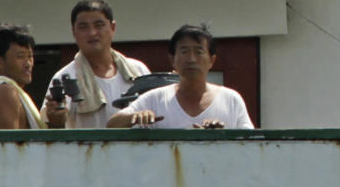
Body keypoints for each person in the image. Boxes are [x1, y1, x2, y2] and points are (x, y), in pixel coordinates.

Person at [107, 24, 254, 129]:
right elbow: (112, 124)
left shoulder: (231, 99)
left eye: (199, 51)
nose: (191, 59)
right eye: (184, 51)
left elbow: (248, 144)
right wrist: (134, 117)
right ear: (172, 60)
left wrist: (220, 136)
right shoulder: (155, 99)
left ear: (212, 60)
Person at [42, 0, 150, 128]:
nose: (92, 33)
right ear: (73, 32)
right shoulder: (64, 77)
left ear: (112, 27)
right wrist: (56, 119)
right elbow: (52, 127)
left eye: (99, 25)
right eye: (83, 27)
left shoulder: (138, 70)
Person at [0, 23, 53, 130]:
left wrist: (56, 122)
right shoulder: (6, 92)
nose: (28, 63)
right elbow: (11, 146)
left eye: (30, 56)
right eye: (20, 56)